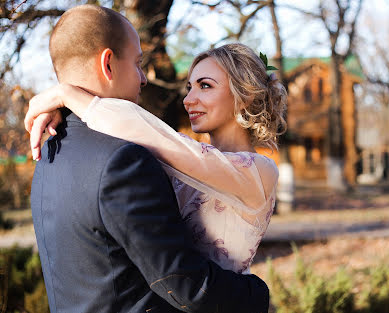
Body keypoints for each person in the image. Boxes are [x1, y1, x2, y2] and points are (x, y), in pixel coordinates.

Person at [26, 5, 270, 313]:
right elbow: (184, 285)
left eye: (205, 85)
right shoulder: (124, 161)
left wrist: (69, 96)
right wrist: (258, 294)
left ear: (244, 94)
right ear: (108, 65)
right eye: (139, 63)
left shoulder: (50, 153)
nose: (187, 98)